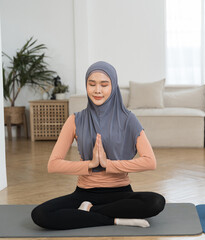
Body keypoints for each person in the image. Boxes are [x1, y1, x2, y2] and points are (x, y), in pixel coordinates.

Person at [31, 61, 165, 230]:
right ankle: (116, 220)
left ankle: (90, 212)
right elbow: (53, 164)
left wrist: (109, 165)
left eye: (104, 84)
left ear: (113, 86)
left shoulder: (128, 119)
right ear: (86, 86)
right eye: (91, 84)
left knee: (156, 202)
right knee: (40, 214)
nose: (97, 90)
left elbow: (150, 161)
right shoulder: (75, 120)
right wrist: (90, 165)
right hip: (84, 193)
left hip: (121, 192)